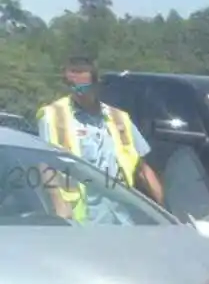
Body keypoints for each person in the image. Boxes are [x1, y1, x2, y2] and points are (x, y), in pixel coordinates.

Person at [37, 55, 165, 219]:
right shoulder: (53, 116)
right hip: (83, 220)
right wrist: (59, 204)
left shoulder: (119, 118)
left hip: (123, 218)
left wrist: (162, 210)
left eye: (83, 87)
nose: (77, 92)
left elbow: (142, 168)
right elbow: (46, 165)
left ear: (96, 85)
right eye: (72, 86)